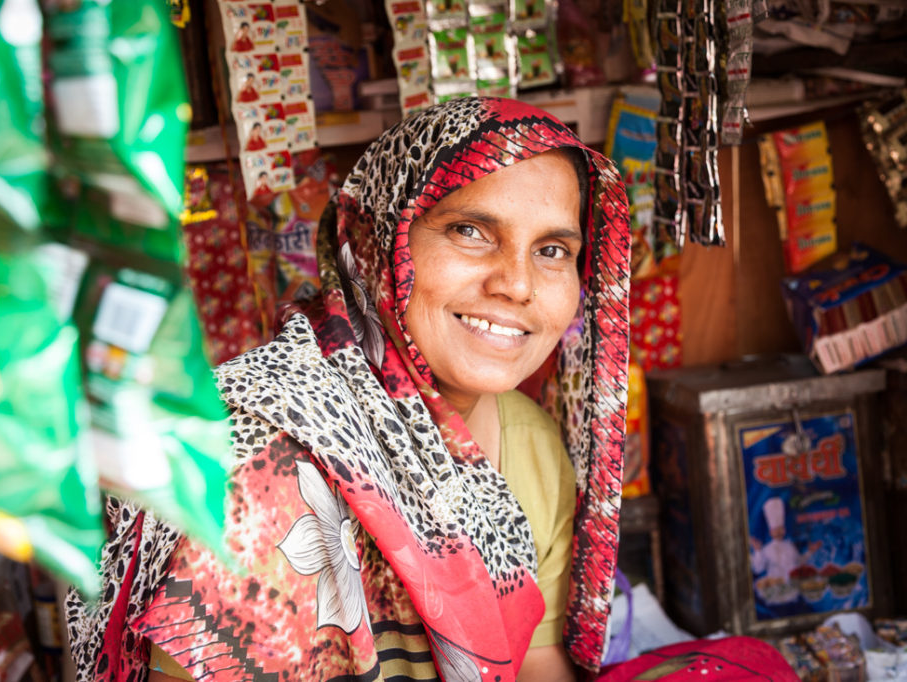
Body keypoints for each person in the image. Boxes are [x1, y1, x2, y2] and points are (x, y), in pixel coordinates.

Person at [66, 97, 624, 680]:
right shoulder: (260, 465)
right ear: (375, 241)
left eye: (553, 250)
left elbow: (534, 661)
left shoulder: (532, 444)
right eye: (470, 231)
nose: (517, 282)